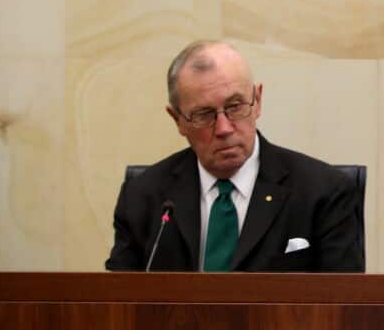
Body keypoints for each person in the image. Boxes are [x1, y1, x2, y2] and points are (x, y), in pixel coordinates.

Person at [106, 40, 363, 272]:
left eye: (235, 107)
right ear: (178, 120)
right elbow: (117, 305)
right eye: (204, 115)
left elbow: (344, 308)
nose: (224, 128)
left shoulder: (324, 192)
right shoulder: (143, 197)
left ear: (257, 101)